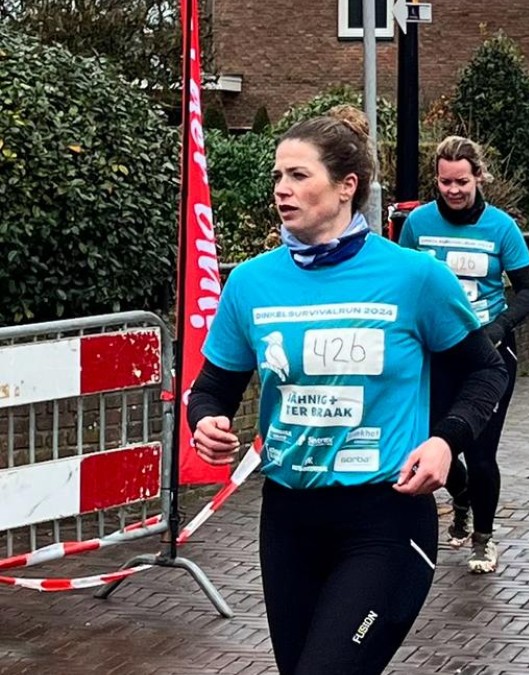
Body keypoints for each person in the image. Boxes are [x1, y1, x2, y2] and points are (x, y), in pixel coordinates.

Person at [187, 107, 508, 675]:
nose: (281, 189)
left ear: (346, 186)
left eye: (298, 175)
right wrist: (205, 422)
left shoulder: (414, 276)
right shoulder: (251, 283)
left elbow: (487, 371)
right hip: (288, 520)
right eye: (278, 176)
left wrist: (445, 442)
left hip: (385, 521)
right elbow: (212, 388)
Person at [399, 136, 529, 574]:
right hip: (435, 353)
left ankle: (483, 538)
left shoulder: (501, 227)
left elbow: (528, 291)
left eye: (462, 181)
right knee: (430, 440)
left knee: (480, 452)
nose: (454, 190)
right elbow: (404, 284)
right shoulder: (418, 224)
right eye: (446, 182)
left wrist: (498, 327)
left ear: (479, 177)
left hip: (486, 355)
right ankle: (460, 496)